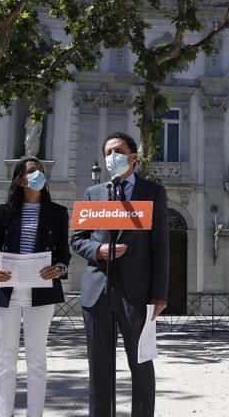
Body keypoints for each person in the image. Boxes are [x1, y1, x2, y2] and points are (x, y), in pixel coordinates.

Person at [71, 132, 169, 417]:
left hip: (137, 293)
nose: (112, 156)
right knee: (99, 367)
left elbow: (160, 246)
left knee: (140, 363)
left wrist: (159, 293)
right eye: (108, 152)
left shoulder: (152, 193)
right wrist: (98, 249)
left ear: (133, 157)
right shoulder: (94, 193)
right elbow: (77, 239)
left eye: (118, 150)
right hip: (97, 291)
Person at [0, 156, 71, 417]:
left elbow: (63, 254)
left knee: (37, 358)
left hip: (41, 292)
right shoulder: (4, 211)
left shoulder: (58, 212)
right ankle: (4, 414)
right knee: (5, 360)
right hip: (5, 292)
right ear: (21, 179)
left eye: (41, 171)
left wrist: (60, 268)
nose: (38, 175)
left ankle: (35, 414)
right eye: (33, 171)